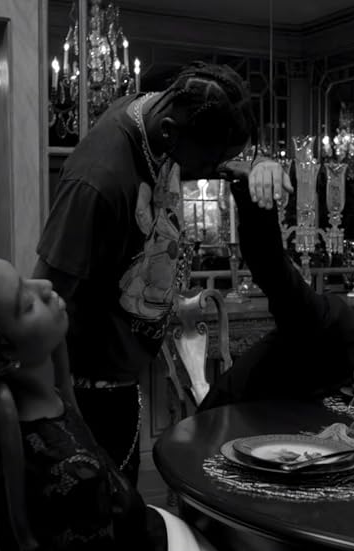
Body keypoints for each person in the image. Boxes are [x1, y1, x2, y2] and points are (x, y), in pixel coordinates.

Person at [0, 237, 245, 551]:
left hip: (150, 533)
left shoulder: (3, 414)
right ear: (1, 360)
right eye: (26, 303)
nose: (45, 287)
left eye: (25, 280)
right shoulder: (71, 475)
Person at [34, 61, 290, 483]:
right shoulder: (97, 183)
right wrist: (66, 412)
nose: (211, 173)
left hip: (121, 376)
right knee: (106, 508)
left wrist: (261, 165)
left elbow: (217, 153)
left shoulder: (157, 116)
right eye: (212, 161)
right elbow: (45, 297)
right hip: (89, 392)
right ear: (170, 132)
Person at [198, 176, 354, 410]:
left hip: (286, 429)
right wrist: (255, 189)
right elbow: (275, 274)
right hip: (232, 414)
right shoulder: (333, 323)